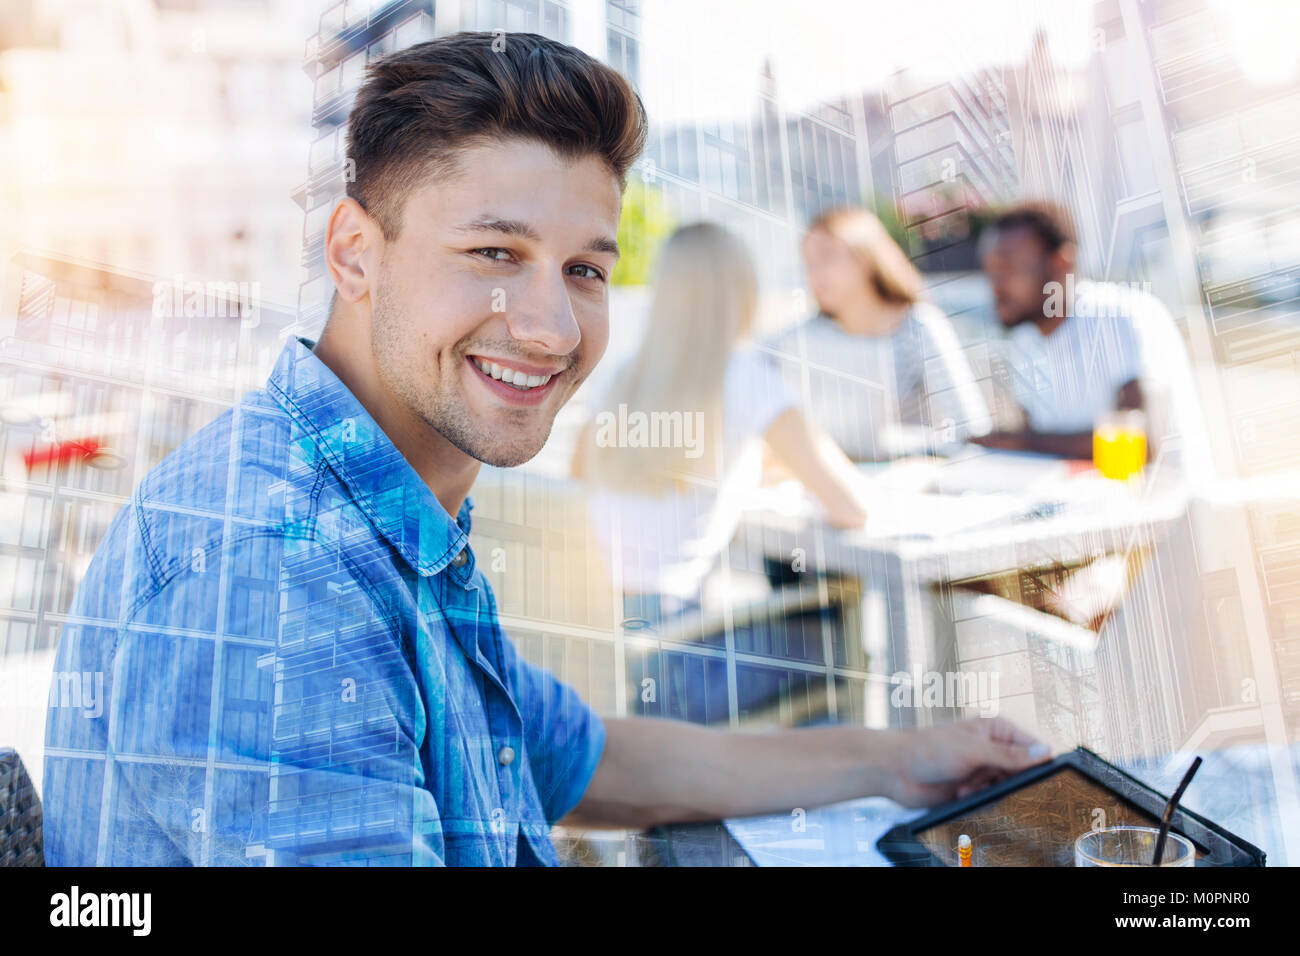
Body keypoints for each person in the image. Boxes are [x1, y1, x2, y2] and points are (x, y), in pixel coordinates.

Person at [43, 31, 1048, 867]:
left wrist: (902, 757)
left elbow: (583, 756)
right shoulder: (273, 573)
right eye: (495, 253)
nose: (553, 329)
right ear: (353, 253)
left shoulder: (384, 503)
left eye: (583, 270)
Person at [571, 222, 868, 721]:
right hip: (676, 665)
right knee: (836, 641)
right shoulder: (744, 374)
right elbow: (851, 506)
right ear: (742, 292)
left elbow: (581, 473)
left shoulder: (624, 375)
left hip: (598, 661)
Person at [974, 200, 1194, 463]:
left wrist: (1021, 442)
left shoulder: (1119, 315)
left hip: (1162, 491)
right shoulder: (1025, 339)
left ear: (1061, 263)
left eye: (1008, 268)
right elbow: (1037, 447)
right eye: (991, 271)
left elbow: (1136, 447)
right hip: (1078, 489)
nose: (995, 285)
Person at [769, 206, 992, 462]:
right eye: (809, 263)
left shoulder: (918, 328)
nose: (814, 274)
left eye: (827, 257)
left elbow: (970, 429)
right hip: (822, 476)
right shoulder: (800, 337)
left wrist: (891, 444)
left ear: (865, 258)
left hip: (907, 476)